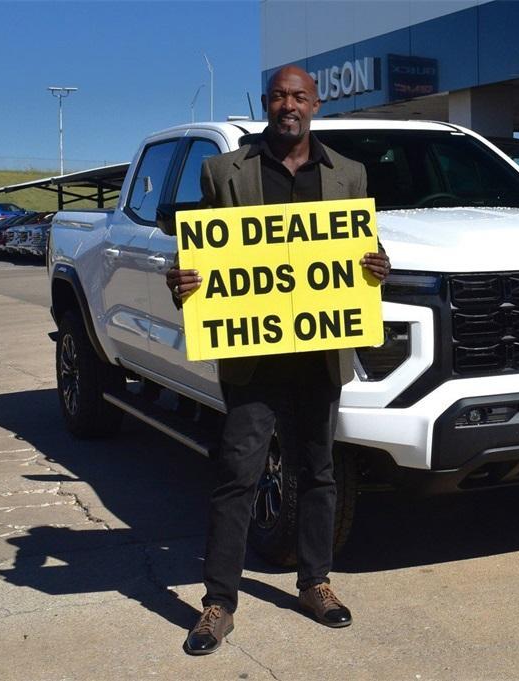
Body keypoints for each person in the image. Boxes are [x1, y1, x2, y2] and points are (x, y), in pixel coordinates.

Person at [166, 65, 391, 656]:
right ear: (265, 104)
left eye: (299, 96)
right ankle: (218, 602)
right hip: (252, 354)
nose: (288, 104)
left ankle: (315, 582)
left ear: (315, 105)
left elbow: (364, 248)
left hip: (319, 350)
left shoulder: (350, 174)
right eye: (278, 96)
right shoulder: (223, 172)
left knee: (318, 471)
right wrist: (184, 281)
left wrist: (378, 267)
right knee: (237, 475)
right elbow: (205, 256)